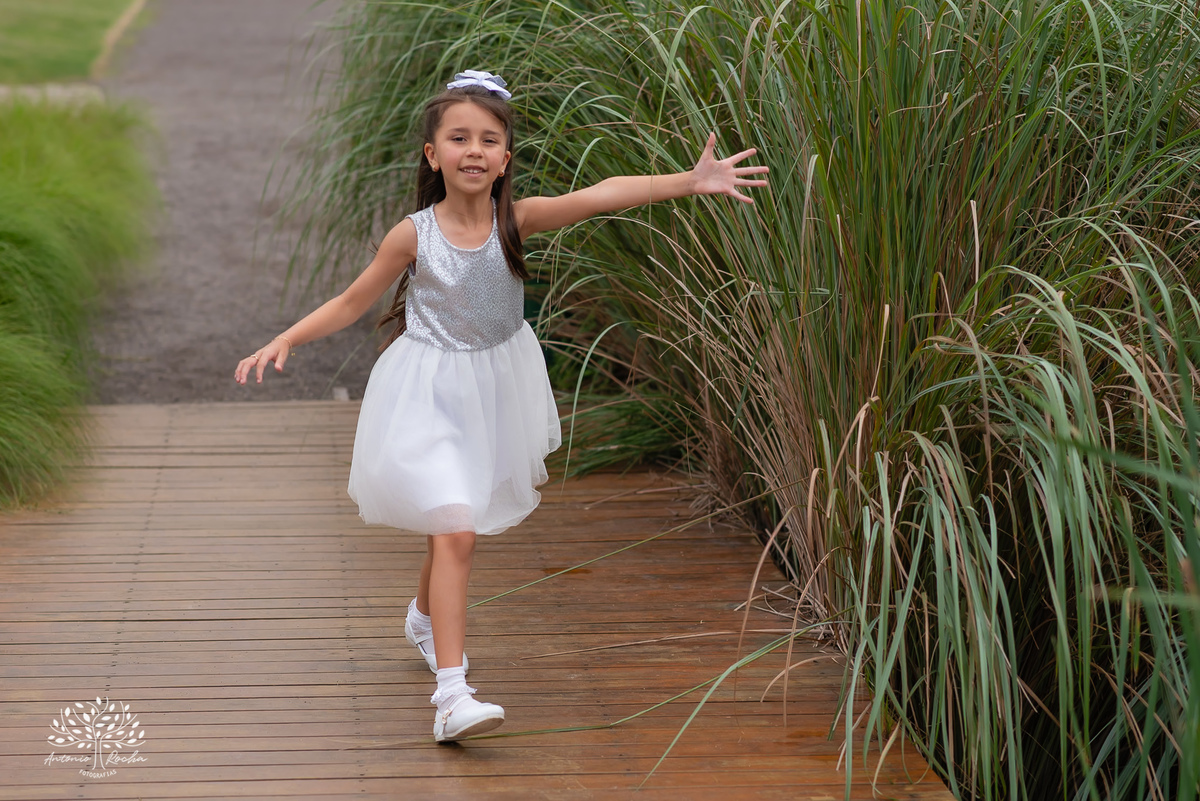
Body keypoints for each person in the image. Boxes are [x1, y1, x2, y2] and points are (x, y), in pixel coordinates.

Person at [234, 69, 768, 742]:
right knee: (456, 529)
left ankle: (423, 619)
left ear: (506, 158)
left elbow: (600, 195)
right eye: (459, 137)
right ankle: (451, 696)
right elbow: (350, 301)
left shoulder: (514, 220)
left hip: (494, 389)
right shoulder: (412, 235)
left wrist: (688, 181)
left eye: (489, 139)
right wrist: (286, 337)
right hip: (426, 391)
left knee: (454, 520)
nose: (474, 150)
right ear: (433, 154)